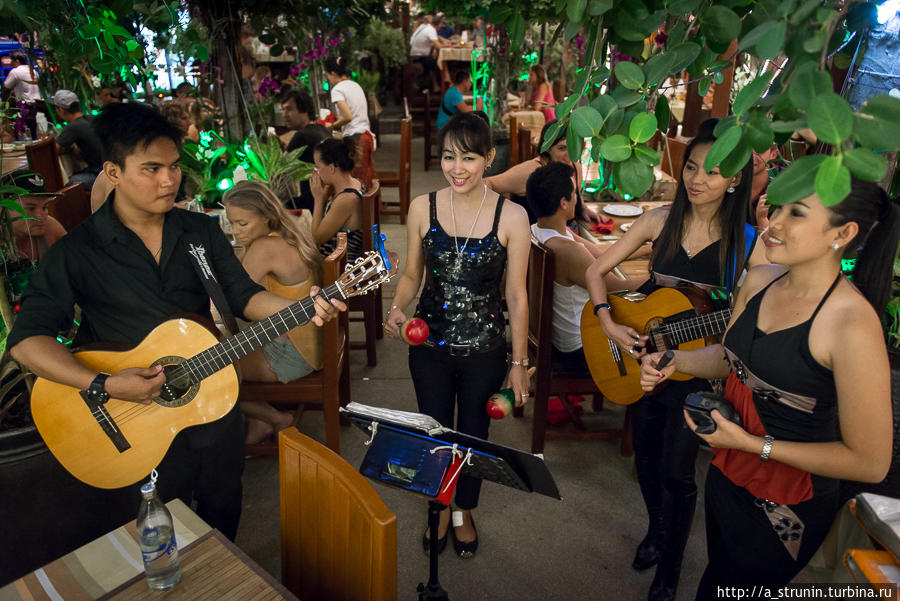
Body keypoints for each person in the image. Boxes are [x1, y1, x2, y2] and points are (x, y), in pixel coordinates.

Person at [6, 102, 344, 542]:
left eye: (172, 167)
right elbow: (27, 341)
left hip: (211, 396)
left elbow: (243, 296)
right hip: (128, 416)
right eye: (150, 169)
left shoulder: (198, 232)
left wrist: (304, 307)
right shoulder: (79, 251)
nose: (168, 180)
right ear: (112, 171)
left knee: (224, 503)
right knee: (155, 526)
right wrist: (103, 384)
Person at [639, 180, 898, 597]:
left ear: (843, 233)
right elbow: (731, 358)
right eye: (776, 208)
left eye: (796, 213)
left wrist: (751, 444)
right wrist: (674, 362)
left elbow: (870, 463)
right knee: (719, 569)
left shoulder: (852, 324)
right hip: (728, 474)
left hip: (785, 504)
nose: (772, 222)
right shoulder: (760, 280)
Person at [584, 118, 764, 601]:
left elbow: (748, 320)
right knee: (645, 459)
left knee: (677, 472)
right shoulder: (657, 220)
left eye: (713, 171)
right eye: (692, 167)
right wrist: (606, 321)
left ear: (734, 180)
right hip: (643, 363)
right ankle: (657, 532)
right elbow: (596, 269)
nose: (697, 179)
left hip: (698, 372)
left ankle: (672, 564)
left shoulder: (747, 242)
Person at [384, 112, 531, 559]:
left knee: (472, 435)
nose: (457, 168)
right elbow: (411, 275)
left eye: (469, 157)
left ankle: (465, 509)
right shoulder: (421, 208)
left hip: (486, 350)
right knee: (435, 433)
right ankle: (441, 507)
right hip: (428, 346)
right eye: (449, 157)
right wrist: (396, 307)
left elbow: (517, 297)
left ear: (489, 157)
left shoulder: (513, 217)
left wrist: (519, 366)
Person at [223, 181, 324, 444]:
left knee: (210, 373)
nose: (235, 232)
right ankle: (260, 421)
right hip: (311, 344)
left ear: (266, 217)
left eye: (242, 224)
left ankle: (276, 418)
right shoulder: (289, 232)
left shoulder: (265, 247)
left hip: (292, 354)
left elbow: (233, 300)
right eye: (231, 223)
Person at [528, 162, 631, 371]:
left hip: (559, 337)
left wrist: (646, 248)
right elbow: (618, 286)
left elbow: (601, 253)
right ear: (564, 203)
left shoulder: (539, 231)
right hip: (579, 348)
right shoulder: (567, 251)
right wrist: (664, 280)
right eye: (575, 193)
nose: (578, 198)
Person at [486, 119, 600, 225]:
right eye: (562, 148)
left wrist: (583, 208)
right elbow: (488, 183)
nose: (569, 154)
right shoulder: (531, 171)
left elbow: (575, 197)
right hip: (533, 241)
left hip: (564, 235)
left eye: (573, 147)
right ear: (548, 148)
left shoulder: (576, 168)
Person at [310, 137, 364, 262]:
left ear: (331, 168)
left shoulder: (347, 199)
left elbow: (318, 237)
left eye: (317, 166)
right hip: (339, 261)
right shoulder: (355, 183)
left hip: (341, 269)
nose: (316, 172)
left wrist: (318, 199)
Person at [323, 57, 375, 188]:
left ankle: (355, 208)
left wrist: (332, 125)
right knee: (366, 180)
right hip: (366, 136)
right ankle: (370, 208)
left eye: (327, 76)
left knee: (356, 183)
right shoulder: (355, 85)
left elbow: (347, 116)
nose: (328, 80)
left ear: (333, 74)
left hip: (355, 140)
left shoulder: (337, 89)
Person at [281, 89, 329, 210]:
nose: (284, 115)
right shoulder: (321, 129)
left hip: (312, 203)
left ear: (304, 111)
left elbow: (279, 167)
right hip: (327, 200)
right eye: (283, 109)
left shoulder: (302, 136)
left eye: (289, 109)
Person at [49, 89, 104, 190]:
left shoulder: (73, 126)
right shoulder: (91, 118)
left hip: (102, 176)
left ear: (61, 110)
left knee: (69, 184)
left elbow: (52, 151)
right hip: (112, 171)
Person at [7, 169, 67, 262]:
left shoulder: (50, 226)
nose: (40, 217)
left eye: (44, 207)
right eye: (31, 208)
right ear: (3, 209)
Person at [2, 51, 42, 138]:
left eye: (11, 61)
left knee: (22, 131)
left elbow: (6, 87)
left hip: (24, 106)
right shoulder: (34, 71)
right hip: (36, 105)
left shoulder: (15, 72)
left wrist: (5, 104)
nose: (11, 63)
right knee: (33, 130)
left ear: (17, 61)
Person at [409, 14, 448, 93]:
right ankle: (443, 85)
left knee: (433, 61)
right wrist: (449, 46)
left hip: (416, 56)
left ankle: (435, 86)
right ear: (439, 24)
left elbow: (435, 43)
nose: (441, 26)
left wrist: (436, 48)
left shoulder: (426, 28)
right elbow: (439, 46)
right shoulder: (431, 30)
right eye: (441, 24)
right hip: (418, 57)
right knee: (436, 63)